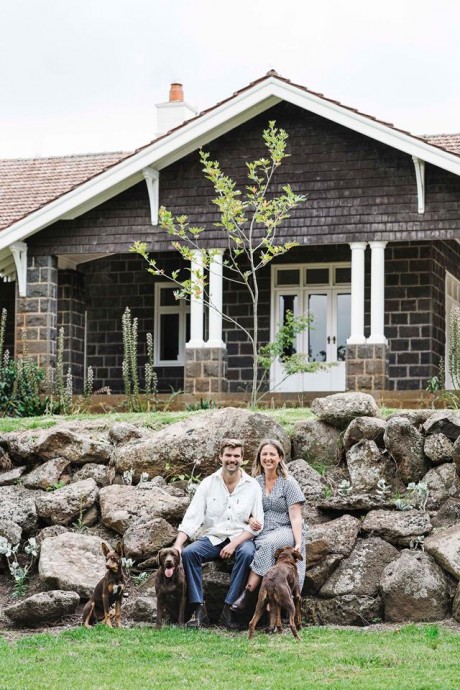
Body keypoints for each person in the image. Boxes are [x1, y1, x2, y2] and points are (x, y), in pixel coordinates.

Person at [173, 438, 264, 629]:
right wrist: (178, 545)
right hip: (213, 537)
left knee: (247, 553)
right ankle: (199, 611)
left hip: (241, 538)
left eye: (236, 456)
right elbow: (192, 517)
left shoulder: (252, 486)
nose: (232, 459)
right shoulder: (208, 484)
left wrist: (233, 544)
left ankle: (229, 611)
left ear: (242, 458)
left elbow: (258, 524)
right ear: (220, 457)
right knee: (190, 553)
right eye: (228, 455)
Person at [230, 438, 306, 617]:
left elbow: (295, 516)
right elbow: (243, 510)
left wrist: (298, 542)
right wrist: (249, 519)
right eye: (264, 454)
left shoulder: (289, 483)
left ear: (280, 457)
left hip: (285, 529)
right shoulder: (254, 483)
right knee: (246, 548)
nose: (268, 458)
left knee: (267, 545)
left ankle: (247, 595)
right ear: (259, 458)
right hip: (260, 530)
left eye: (272, 454)